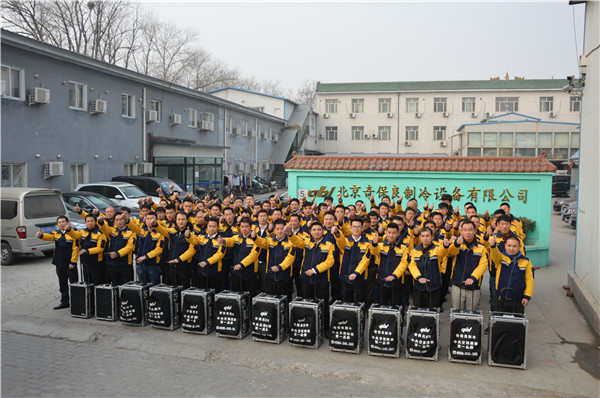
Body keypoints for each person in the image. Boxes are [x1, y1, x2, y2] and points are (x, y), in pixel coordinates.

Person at [286, 221, 335, 333]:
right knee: (307, 303)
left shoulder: (329, 244)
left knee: (323, 305)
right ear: (310, 232)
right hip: (306, 279)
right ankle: (308, 326)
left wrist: (314, 270)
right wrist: (289, 234)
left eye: (319, 229)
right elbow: (297, 242)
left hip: (322, 280)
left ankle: (325, 329)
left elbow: (330, 262)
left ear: (323, 231)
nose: (316, 232)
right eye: (314, 230)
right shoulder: (307, 241)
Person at [36, 216, 79, 309]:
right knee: (62, 284)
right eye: (59, 222)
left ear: (68, 223)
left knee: (74, 284)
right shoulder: (56, 233)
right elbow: (49, 237)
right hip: (59, 263)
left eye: (63, 222)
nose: (61, 224)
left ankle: (76, 303)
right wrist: (41, 235)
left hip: (70, 264)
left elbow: (76, 249)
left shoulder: (74, 233)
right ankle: (64, 302)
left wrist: (73, 262)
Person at [445, 220, 489, 311]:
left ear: (475, 231)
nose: (467, 232)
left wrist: (473, 278)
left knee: (471, 313)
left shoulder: (482, 248)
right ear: (461, 231)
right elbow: (449, 253)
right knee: (456, 312)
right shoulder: (457, 243)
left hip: (474, 286)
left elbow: (482, 265)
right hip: (457, 283)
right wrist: (456, 244)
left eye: (470, 230)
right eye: (465, 230)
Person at [253, 219, 296, 302]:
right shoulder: (270, 240)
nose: (280, 231)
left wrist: (280, 267)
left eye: (282, 229)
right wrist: (255, 237)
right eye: (277, 229)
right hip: (271, 275)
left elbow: (290, 258)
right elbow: (261, 242)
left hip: (285, 277)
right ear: (274, 230)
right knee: (272, 300)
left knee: (285, 300)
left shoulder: (291, 242)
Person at [489, 234, 534, 314]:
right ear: (505, 246)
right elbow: (495, 254)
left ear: (519, 247)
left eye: (514, 246)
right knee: (498, 323)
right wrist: (493, 246)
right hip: (500, 298)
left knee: (515, 324)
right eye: (509, 245)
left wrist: (527, 296)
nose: (511, 248)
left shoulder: (526, 261)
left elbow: (530, 280)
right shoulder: (501, 257)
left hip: (517, 300)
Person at [407, 227, 450, 309]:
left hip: (434, 286)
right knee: (418, 311)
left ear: (432, 237)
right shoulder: (414, 251)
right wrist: (419, 277)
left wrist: (445, 245)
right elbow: (412, 266)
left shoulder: (437, 249)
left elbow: (443, 252)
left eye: (427, 236)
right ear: (420, 237)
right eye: (423, 236)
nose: (425, 238)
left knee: (432, 312)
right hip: (418, 286)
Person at [219, 217, 261, 298]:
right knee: (237, 295)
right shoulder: (237, 237)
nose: (244, 229)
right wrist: (223, 241)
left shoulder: (256, 239)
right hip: (236, 272)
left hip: (250, 272)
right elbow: (230, 240)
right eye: (242, 227)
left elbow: (253, 255)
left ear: (250, 227)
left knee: (249, 295)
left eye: (246, 227)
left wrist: (241, 264)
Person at [332, 218, 372, 303]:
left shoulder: (368, 243)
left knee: (360, 302)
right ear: (350, 228)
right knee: (346, 301)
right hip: (345, 277)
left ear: (362, 228)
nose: (356, 229)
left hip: (360, 278)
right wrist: (336, 232)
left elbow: (365, 260)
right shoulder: (346, 241)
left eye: (358, 227)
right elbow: (340, 241)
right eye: (354, 227)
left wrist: (356, 273)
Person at [371, 222, 410, 307]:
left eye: (394, 233)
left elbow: (404, 263)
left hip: (397, 282)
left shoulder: (404, 247)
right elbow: (374, 253)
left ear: (398, 233)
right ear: (385, 233)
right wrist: (374, 244)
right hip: (382, 281)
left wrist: (394, 275)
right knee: (382, 306)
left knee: (396, 307)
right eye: (389, 232)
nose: (391, 235)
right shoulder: (380, 245)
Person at [155, 211, 196, 288]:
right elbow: (162, 230)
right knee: (172, 287)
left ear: (187, 221)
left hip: (184, 265)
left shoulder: (191, 233)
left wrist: (178, 259)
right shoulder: (172, 231)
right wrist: (155, 224)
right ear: (176, 220)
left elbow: (191, 251)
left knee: (183, 287)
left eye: (183, 219)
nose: (181, 221)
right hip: (171, 264)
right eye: (179, 219)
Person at [185, 217, 226, 291]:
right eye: (210, 226)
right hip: (202, 270)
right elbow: (194, 240)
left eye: (214, 226)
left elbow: (220, 254)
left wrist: (207, 262)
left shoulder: (221, 240)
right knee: (202, 292)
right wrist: (188, 236)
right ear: (207, 227)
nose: (211, 229)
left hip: (214, 271)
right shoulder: (202, 237)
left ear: (218, 227)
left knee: (214, 293)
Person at [66, 213, 107, 285]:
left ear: (95, 222)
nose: (90, 223)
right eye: (88, 221)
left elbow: (100, 248)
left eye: (91, 221)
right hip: (85, 262)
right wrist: (69, 230)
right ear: (85, 222)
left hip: (97, 263)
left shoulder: (100, 233)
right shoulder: (83, 231)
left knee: (98, 283)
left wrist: (87, 251)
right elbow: (75, 235)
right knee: (87, 283)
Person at [97, 212, 136, 285]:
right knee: (115, 285)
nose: (119, 222)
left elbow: (129, 247)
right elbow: (105, 228)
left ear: (124, 220)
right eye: (117, 220)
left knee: (126, 287)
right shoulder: (112, 230)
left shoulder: (131, 232)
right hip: (112, 264)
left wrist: (117, 253)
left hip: (125, 265)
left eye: (121, 220)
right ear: (114, 221)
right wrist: (101, 222)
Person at [128, 211, 165, 286]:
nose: (149, 220)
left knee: (154, 286)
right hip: (141, 264)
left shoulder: (160, 232)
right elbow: (133, 227)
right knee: (142, 286)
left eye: (151, 219)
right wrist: (127, 220)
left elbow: (159, 249)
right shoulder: (142, 230)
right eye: (147, 218)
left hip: (153, 265)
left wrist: (145, 257)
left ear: (156, 220)